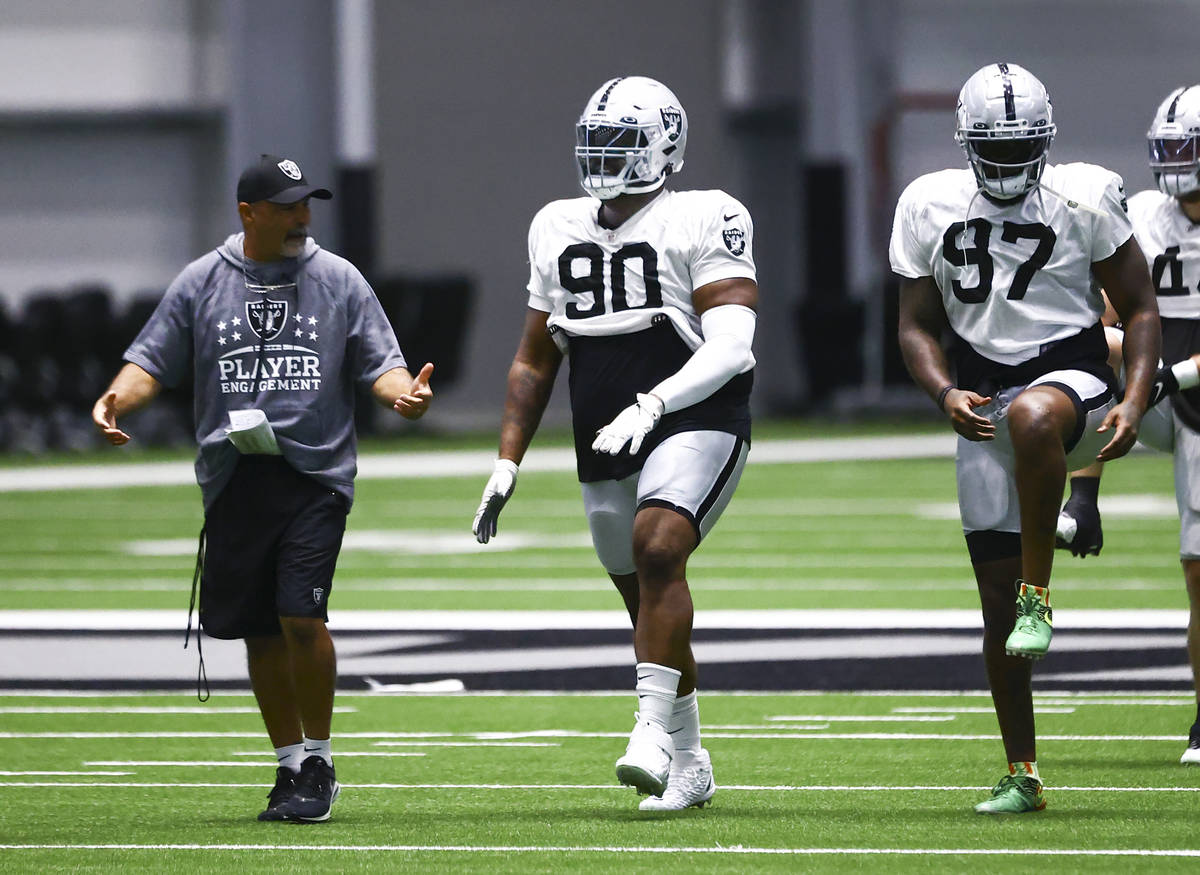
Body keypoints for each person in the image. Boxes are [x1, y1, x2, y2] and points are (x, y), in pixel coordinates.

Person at [91, 154, 434, 822]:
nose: (303, 217)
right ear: (249, 213)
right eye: (287, 206)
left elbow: (384, 364)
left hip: (313, 476)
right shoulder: (201, 282)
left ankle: (321, 759)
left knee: (301, 616)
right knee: (258, 631)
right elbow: (150, 359)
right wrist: (114, 400)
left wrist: (405, 398)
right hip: (234, 477)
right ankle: (287, 765)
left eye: (308, 204)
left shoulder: (339, 280)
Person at [470, 76, 757, 811]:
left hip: (696, 410)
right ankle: (690, 763)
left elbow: (731, 347)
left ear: (666, 146)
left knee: (659, 548)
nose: (604, 154)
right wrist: (508, 460)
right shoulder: (556, 224)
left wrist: (656, 402)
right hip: (602, 420)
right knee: (647, 606)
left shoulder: (705, 215)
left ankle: (649, 731)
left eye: (623, 142)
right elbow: (536, 358)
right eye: (597, 140)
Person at [890, 63, 1161, 813]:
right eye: (994, 150)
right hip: (981, 398)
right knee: (994, 617)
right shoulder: (927, 201)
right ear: (966, 143)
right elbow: (913, 324)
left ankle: (1041, 593)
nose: (1008, 165)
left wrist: (1135, 399)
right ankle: (1023, 771)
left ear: (1046, 141)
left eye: (1021, 149)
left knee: (1033, 417)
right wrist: (943, 390)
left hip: (1073, 384)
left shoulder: (1084, 193)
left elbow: (1138, 308)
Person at [1053, 84, 1200, 764]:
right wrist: (1141, 367)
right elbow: (1106, 321)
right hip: (1165, 384)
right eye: (1171, 149)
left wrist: (1167, 372)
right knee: (1079, 365)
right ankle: (1079, 498)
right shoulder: (1144, 213)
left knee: (1199, 570)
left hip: (1182, 389)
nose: (1176, 164)